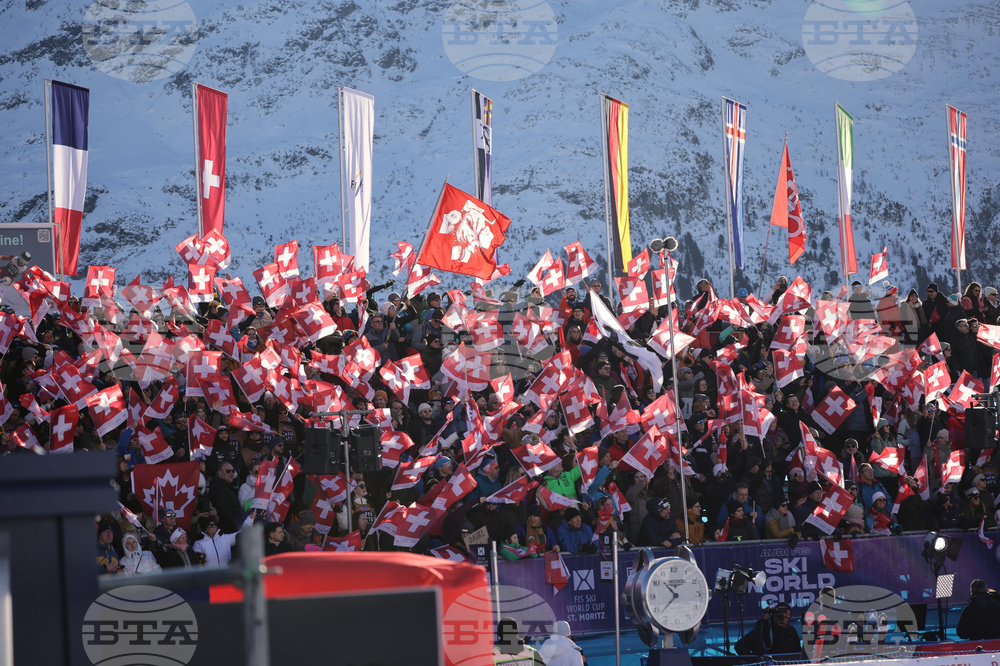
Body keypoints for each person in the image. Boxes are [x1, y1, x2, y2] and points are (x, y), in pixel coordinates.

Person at [735, 601, 801, 656]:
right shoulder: (763, 629)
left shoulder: (792, 631)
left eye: (789, 614)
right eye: (785, 613)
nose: (787, 616)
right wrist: (754, 660)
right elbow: (739, 646)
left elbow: (799, 651)